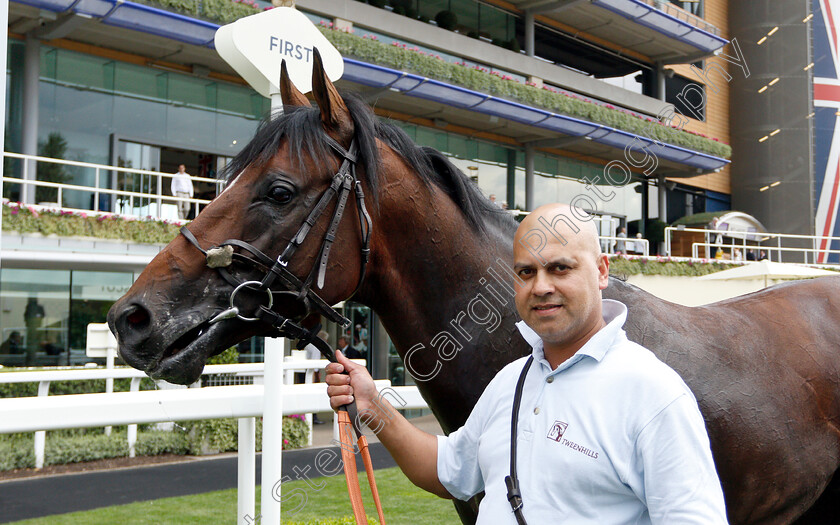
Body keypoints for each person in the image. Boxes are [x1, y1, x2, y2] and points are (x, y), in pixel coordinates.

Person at [325, 203, 727, 524]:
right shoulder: (510, 381)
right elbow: (448, 470)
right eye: (526, 272)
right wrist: (373, 406)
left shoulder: (653, 393)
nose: (541, 287)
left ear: (601, 272)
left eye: (560, 268)